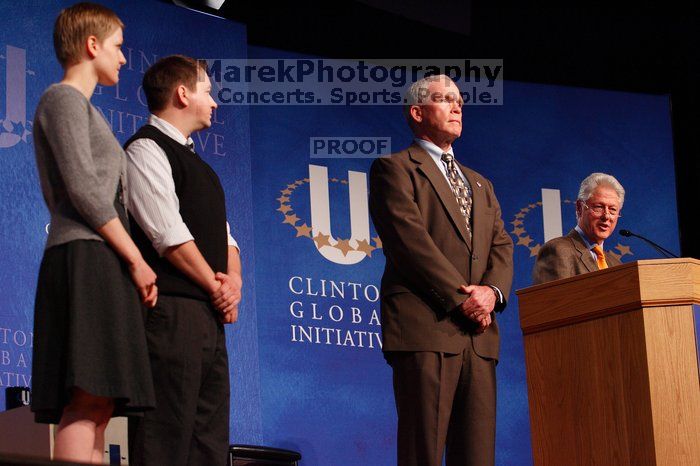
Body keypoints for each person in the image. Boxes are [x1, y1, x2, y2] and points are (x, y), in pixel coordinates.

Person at [31, 3, 157, 464]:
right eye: (118, 47)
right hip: (84, 256)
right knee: (85, 399)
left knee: (102, 404)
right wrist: (137, 260)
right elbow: (84, 190)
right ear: (91, 45)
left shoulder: (83, 109)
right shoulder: (61, 99)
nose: (124, 58)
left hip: (102, 256)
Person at [369, 75, 514, 466]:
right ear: (417, 112)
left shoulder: (481, 184)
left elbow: (501, 245)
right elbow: (409, 243)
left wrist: (491, 294)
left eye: (459, 101)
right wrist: (462, 298)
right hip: (427, 327)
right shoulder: (394, 168)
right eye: (444, 99)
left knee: (477, 456)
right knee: (424, 453)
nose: (456, 106)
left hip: (479, 338)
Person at [124, 55, 241, 466]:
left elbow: (228, 239)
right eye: (208, 92)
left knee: (208, 443)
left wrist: (234, 285)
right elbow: (168, 236)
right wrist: (216, 287)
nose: (215, 103)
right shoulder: (145, 150)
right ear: (183, 93)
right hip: (170, 317)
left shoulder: (203, 169)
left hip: (208, 319)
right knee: (163, 439)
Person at [532, 172, 624, 284]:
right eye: (599, 207)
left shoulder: (616, 264)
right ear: (580, 208)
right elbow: (553, 300)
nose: (606, 216)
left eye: (612, 210)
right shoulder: (558, 251)